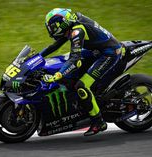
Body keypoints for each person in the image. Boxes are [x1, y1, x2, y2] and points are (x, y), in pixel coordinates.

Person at [40, 8, 122, 136]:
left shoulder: (77, 31)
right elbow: (55, 46)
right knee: (71, 75)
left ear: (62, 23)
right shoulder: (71, 24)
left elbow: (75, 60)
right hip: (97, 49)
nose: (51, 30)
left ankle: (98, 121)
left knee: (81, 86)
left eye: (53, 27)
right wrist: (38, 57)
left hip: (109, 53)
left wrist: (59, 74)